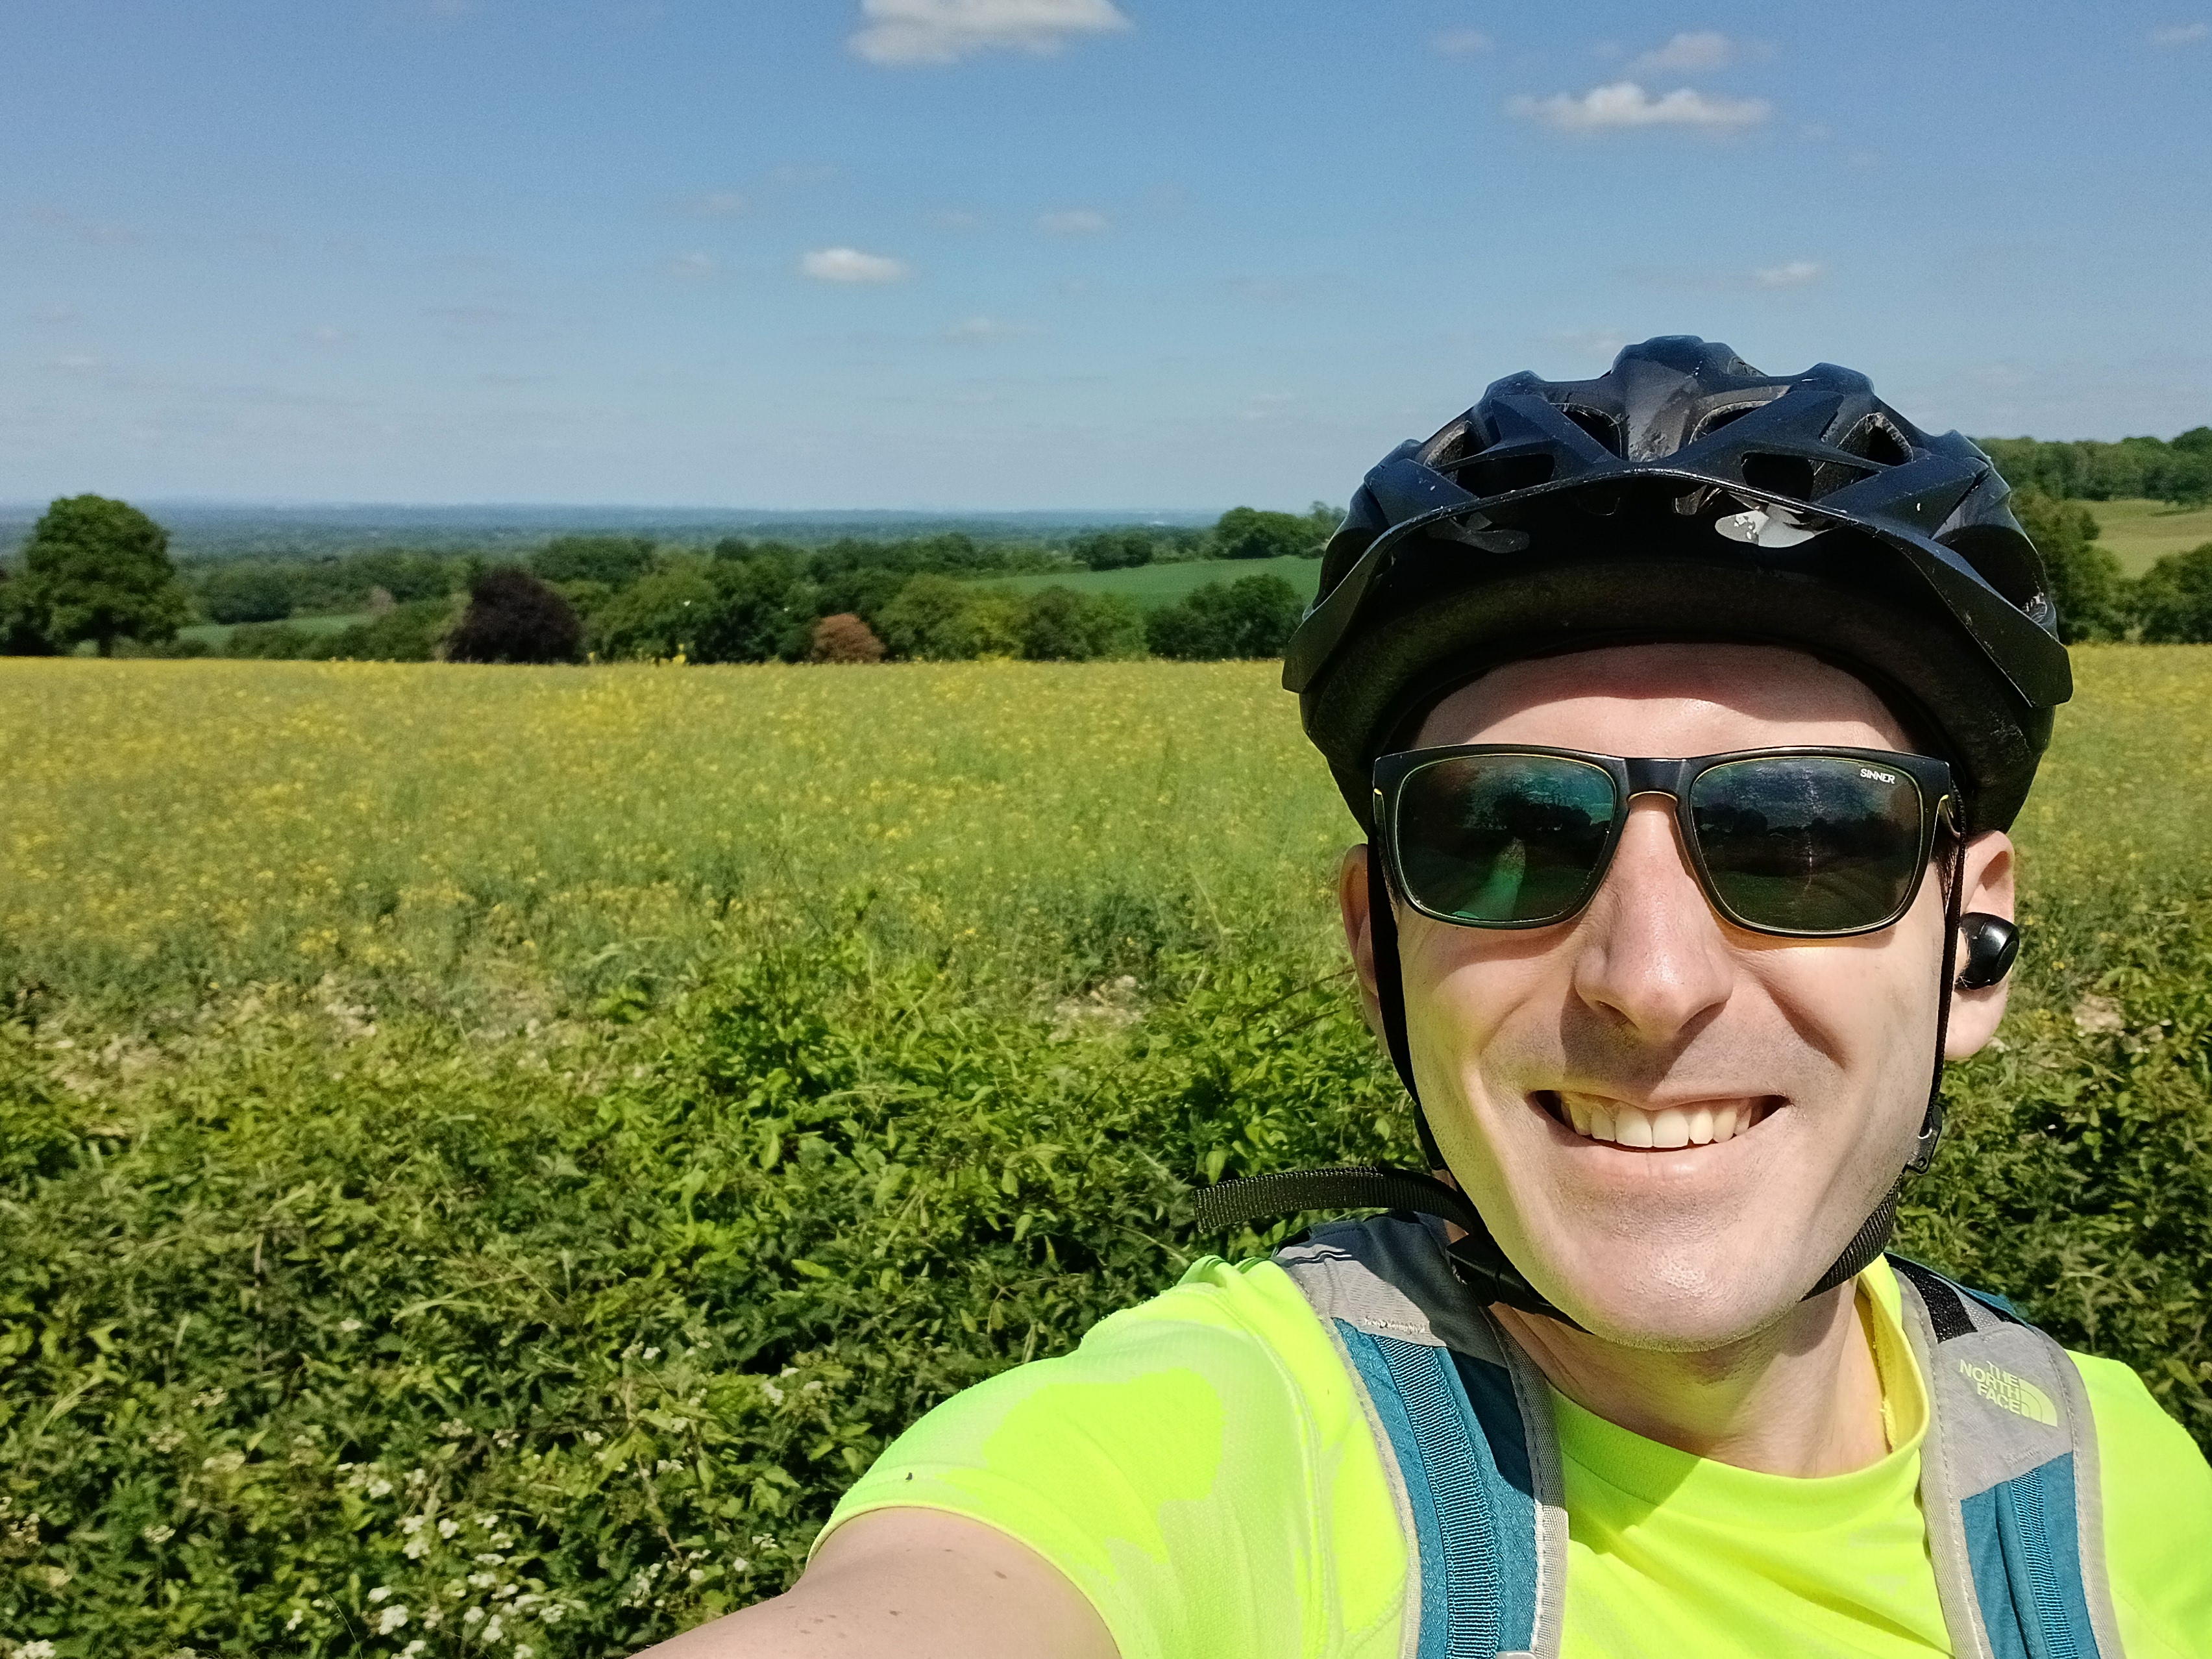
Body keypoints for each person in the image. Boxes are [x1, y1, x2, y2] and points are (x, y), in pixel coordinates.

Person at [655, 338, 2212, 1658]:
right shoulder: (1218, 1442)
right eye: (1505, 833)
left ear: (1970, 942)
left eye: (1805, 838)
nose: (1649, 983)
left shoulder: (2112, 1489)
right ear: (1372, 941)